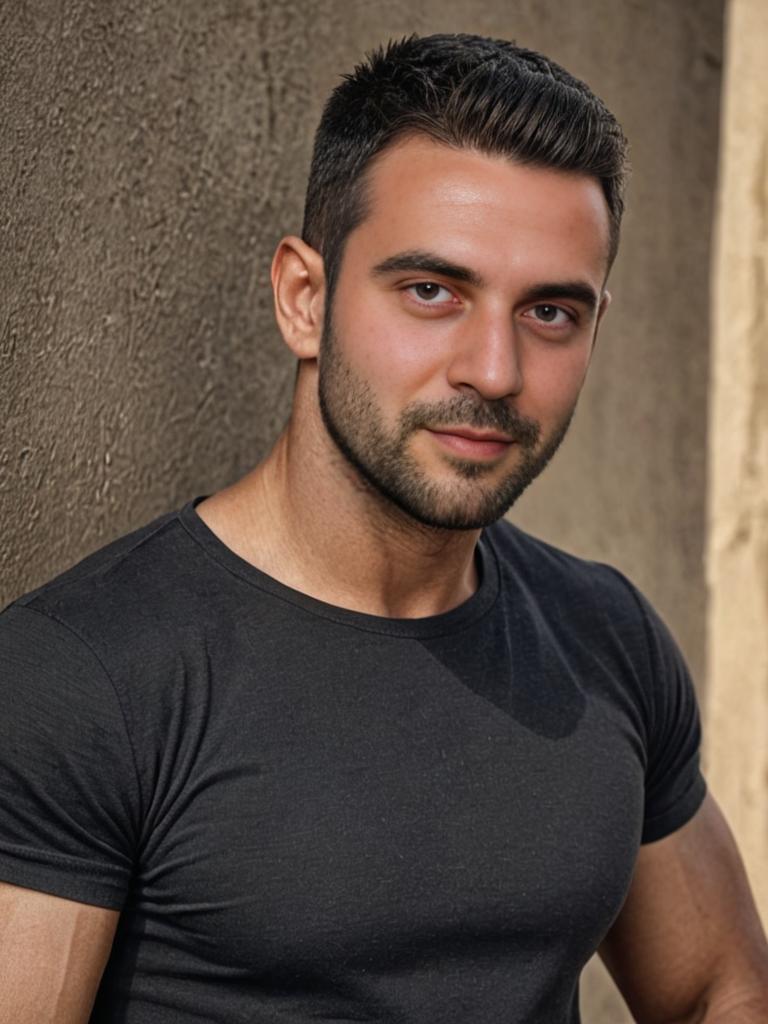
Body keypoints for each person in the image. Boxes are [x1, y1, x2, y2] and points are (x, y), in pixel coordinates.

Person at [0, 32, 766, 1024]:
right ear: (303, 299)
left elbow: (721, 985)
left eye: (550, 312)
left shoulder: (605, 641)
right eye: (432, 292)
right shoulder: (88, 676)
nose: (493, 369)